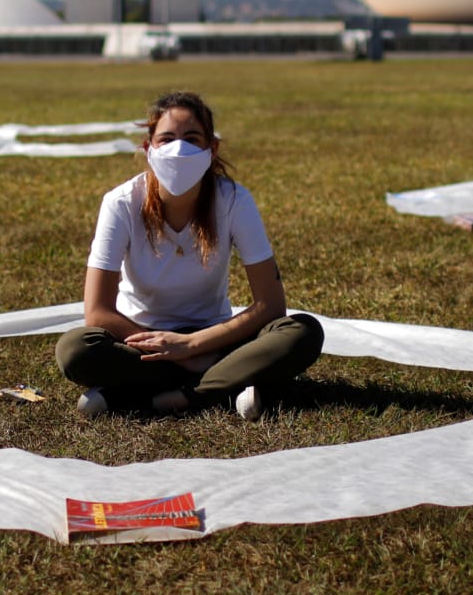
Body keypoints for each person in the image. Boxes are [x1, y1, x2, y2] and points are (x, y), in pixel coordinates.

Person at [56, 91, 324, 420]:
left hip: (213, 338)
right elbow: (97, 313)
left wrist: (193, 345)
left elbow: (270, 304)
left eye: (192, 138)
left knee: (303, 331)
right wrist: (171, 352)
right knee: (75, 350)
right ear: (148, 148)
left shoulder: (234, 200)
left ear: (212, 150)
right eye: (166, 138)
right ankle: (230, 383)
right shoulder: (121, 202)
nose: (178, 149)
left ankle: (151, 396)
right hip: (140, 342)